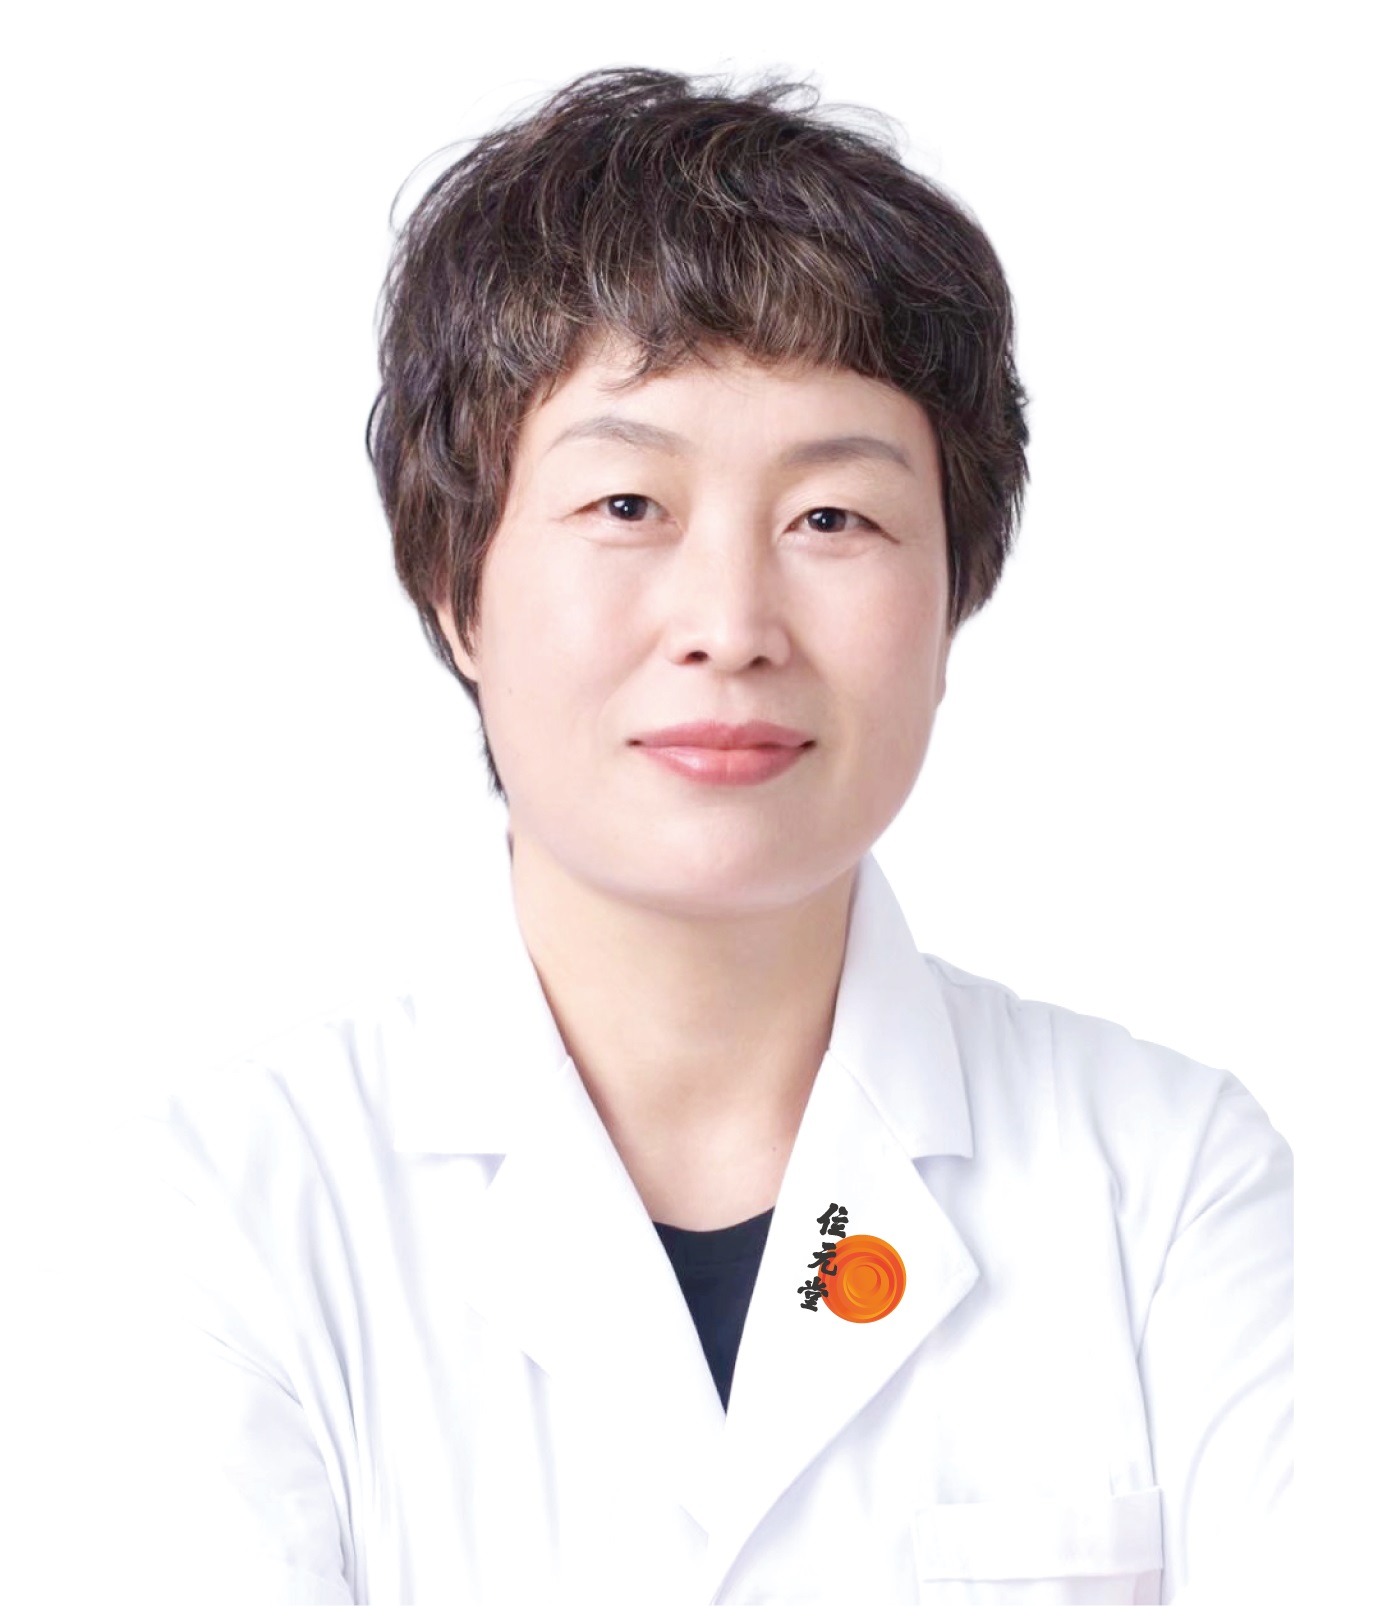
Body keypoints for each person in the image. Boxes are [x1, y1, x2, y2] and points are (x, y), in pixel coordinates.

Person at [125, 67, 1292, 1605]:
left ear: (952, 599)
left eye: (832, 518)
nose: (730, 624)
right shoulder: (226, 1203)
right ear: (455, 589)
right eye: (626, 504)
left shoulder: (1174, 1182)